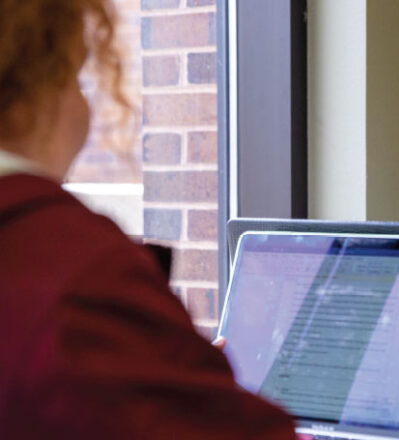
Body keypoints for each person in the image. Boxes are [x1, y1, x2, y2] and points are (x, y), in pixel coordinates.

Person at [0, 1, 296, 438]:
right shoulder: (78, 279)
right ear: (35, 89)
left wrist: (166, 364)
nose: (87, 115)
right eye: (79, 78)